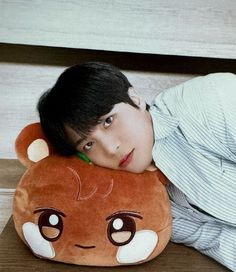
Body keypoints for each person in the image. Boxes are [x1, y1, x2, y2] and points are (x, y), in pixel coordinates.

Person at [37, 62, 236, 271]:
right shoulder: (146, 204)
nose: (111, 148)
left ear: (135, 99)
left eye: (108, 121)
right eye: (89, 144)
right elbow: (214, 239)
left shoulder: (209, 100)